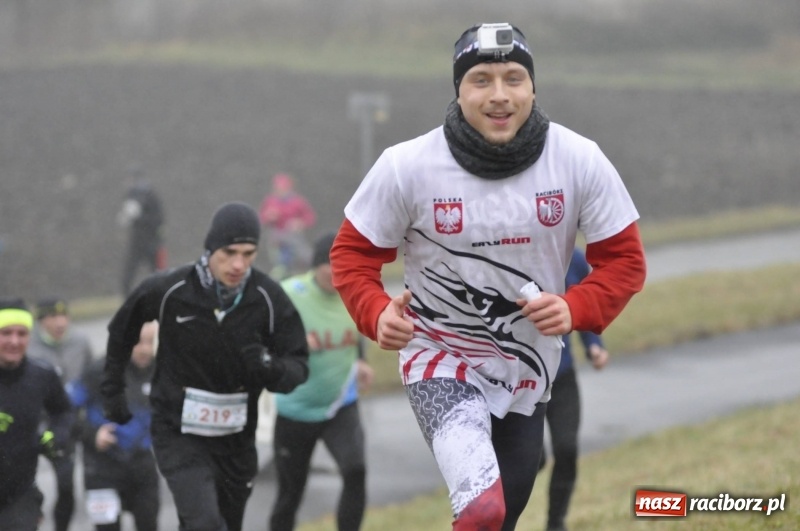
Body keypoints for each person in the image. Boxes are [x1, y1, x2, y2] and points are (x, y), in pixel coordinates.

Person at [329, 22, 646, 530]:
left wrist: (575, 308)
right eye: (481, 80)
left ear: (533, 87)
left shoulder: (578, 160)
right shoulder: (406, 167)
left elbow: (625, 262)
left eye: (514, 78)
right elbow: (351, 256)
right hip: (440, 360)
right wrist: (375, 313)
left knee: (502, 518)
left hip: (528, 369)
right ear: (459, 89)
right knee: (483, 510)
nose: (500, 96)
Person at [100, 201, 310, 531]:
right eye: (229, 252)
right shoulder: (170, 289)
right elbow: (120, 330)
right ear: (210, 248)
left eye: (248, 253)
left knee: (221, 524)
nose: (239, 263)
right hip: (178, 432)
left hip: (236, 440)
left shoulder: (267, 298)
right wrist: (113, 390)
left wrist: (270, 369)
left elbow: (298, 364)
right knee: (205, 523)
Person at [270, 232, 374, 531]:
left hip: (340, 405)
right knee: (290, 495)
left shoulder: (353, 292)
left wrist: (361, 360)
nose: (334, 273)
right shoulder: (290, 292)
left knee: (356, 471)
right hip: (296, 410)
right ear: (314, 266)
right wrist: (296, 343)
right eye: (328, 265)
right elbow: (262, 339)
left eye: (340, 266)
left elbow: (355, 329)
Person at [539, 248, 609, 531]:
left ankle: (556, 524)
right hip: (518, 383)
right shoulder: (512, 252)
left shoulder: (574, 259)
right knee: (532, 458)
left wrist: (594, 345)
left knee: (566, 449)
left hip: (562, 376)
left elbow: (583, 304)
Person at [70, 321, 160, 531]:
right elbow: (64, 412)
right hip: (101, 467)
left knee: (149, 524)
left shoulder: (161, 371)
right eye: (138, 342)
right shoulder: (98, 371)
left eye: (151, 342)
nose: (145, 349)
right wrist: (92, 435)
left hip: (142, 466)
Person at [0, 297, 72, 531]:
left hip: (19, 495)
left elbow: (63, 411)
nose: (14, 341)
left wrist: (56, 435)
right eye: (6, 333)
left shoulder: (41, 375)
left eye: (21, 334)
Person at [26, 296, 94, 531]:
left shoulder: (80, 342)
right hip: (31, 423)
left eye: (64, 316)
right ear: (41, 320)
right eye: (53, 317)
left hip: (64, 422)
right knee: (23, 485)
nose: (60, 322)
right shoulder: (28, 344)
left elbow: (90, 379)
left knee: (66, 486)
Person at [258, 173, 317, 279]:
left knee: (304, 257)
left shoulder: (297, 201)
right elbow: (262, 218)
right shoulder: (270, 201)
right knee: (281, 264)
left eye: (282, 188)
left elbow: (310, 218)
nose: (280, 191)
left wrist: (299, 223)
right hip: (277, 238)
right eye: (277, 188)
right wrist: (269, 216)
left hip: (293, 237)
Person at [117, 169, 166, 295]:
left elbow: (158, 219)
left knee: (158, 275)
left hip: (151, 242)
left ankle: (161, 298)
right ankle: (127, 301)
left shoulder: (150, 195)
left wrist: (140, 217)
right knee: (128, 275)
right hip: (137, 243)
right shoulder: (131, 195)